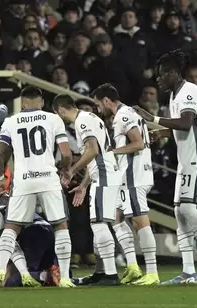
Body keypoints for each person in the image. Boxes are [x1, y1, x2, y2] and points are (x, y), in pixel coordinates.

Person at [135, 50, 197, 285]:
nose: (158, 79)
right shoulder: (174, 95)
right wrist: (163, 133)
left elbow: (186, 123)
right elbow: (182, 126)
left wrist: (152, 119)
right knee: (180, 212)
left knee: (187, 209)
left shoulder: (189, 91)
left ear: (174, 73)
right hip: (186, 160)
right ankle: (188, 271)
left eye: (161, 75)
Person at [0, 86, 75, 288]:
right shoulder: (53, 119)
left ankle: (0, 270)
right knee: (60, 226)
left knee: (11, 228)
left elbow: (0, 155)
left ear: (23, 103)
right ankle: (65, 279)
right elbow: (66, 153)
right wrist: (66, 170)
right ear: (41, 102)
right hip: (48, 178)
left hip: (23, 179)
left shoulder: (11, 121)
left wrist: (0, 177)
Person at [92, 83, 160, 286]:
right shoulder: (129, 113)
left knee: (140, 221)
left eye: (97, 104)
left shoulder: (123, 115)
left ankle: (153, 271)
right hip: (129, 176)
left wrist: (112, 152)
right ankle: (132, 267)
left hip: (133, 177)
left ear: (106, 101)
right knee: (116, 217)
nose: (97, 109)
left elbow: (137, 142)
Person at [52, 93, 122, 286]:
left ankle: (110, 274)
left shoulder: (81, 122)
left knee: (99, 224)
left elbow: (93, 151)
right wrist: (83, 185)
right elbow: (95, 154)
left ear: (60, 110)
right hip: (103, 174)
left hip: (105, 175)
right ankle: (101, 272)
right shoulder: (90, 118)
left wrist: (71, 171)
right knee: (97, 223)